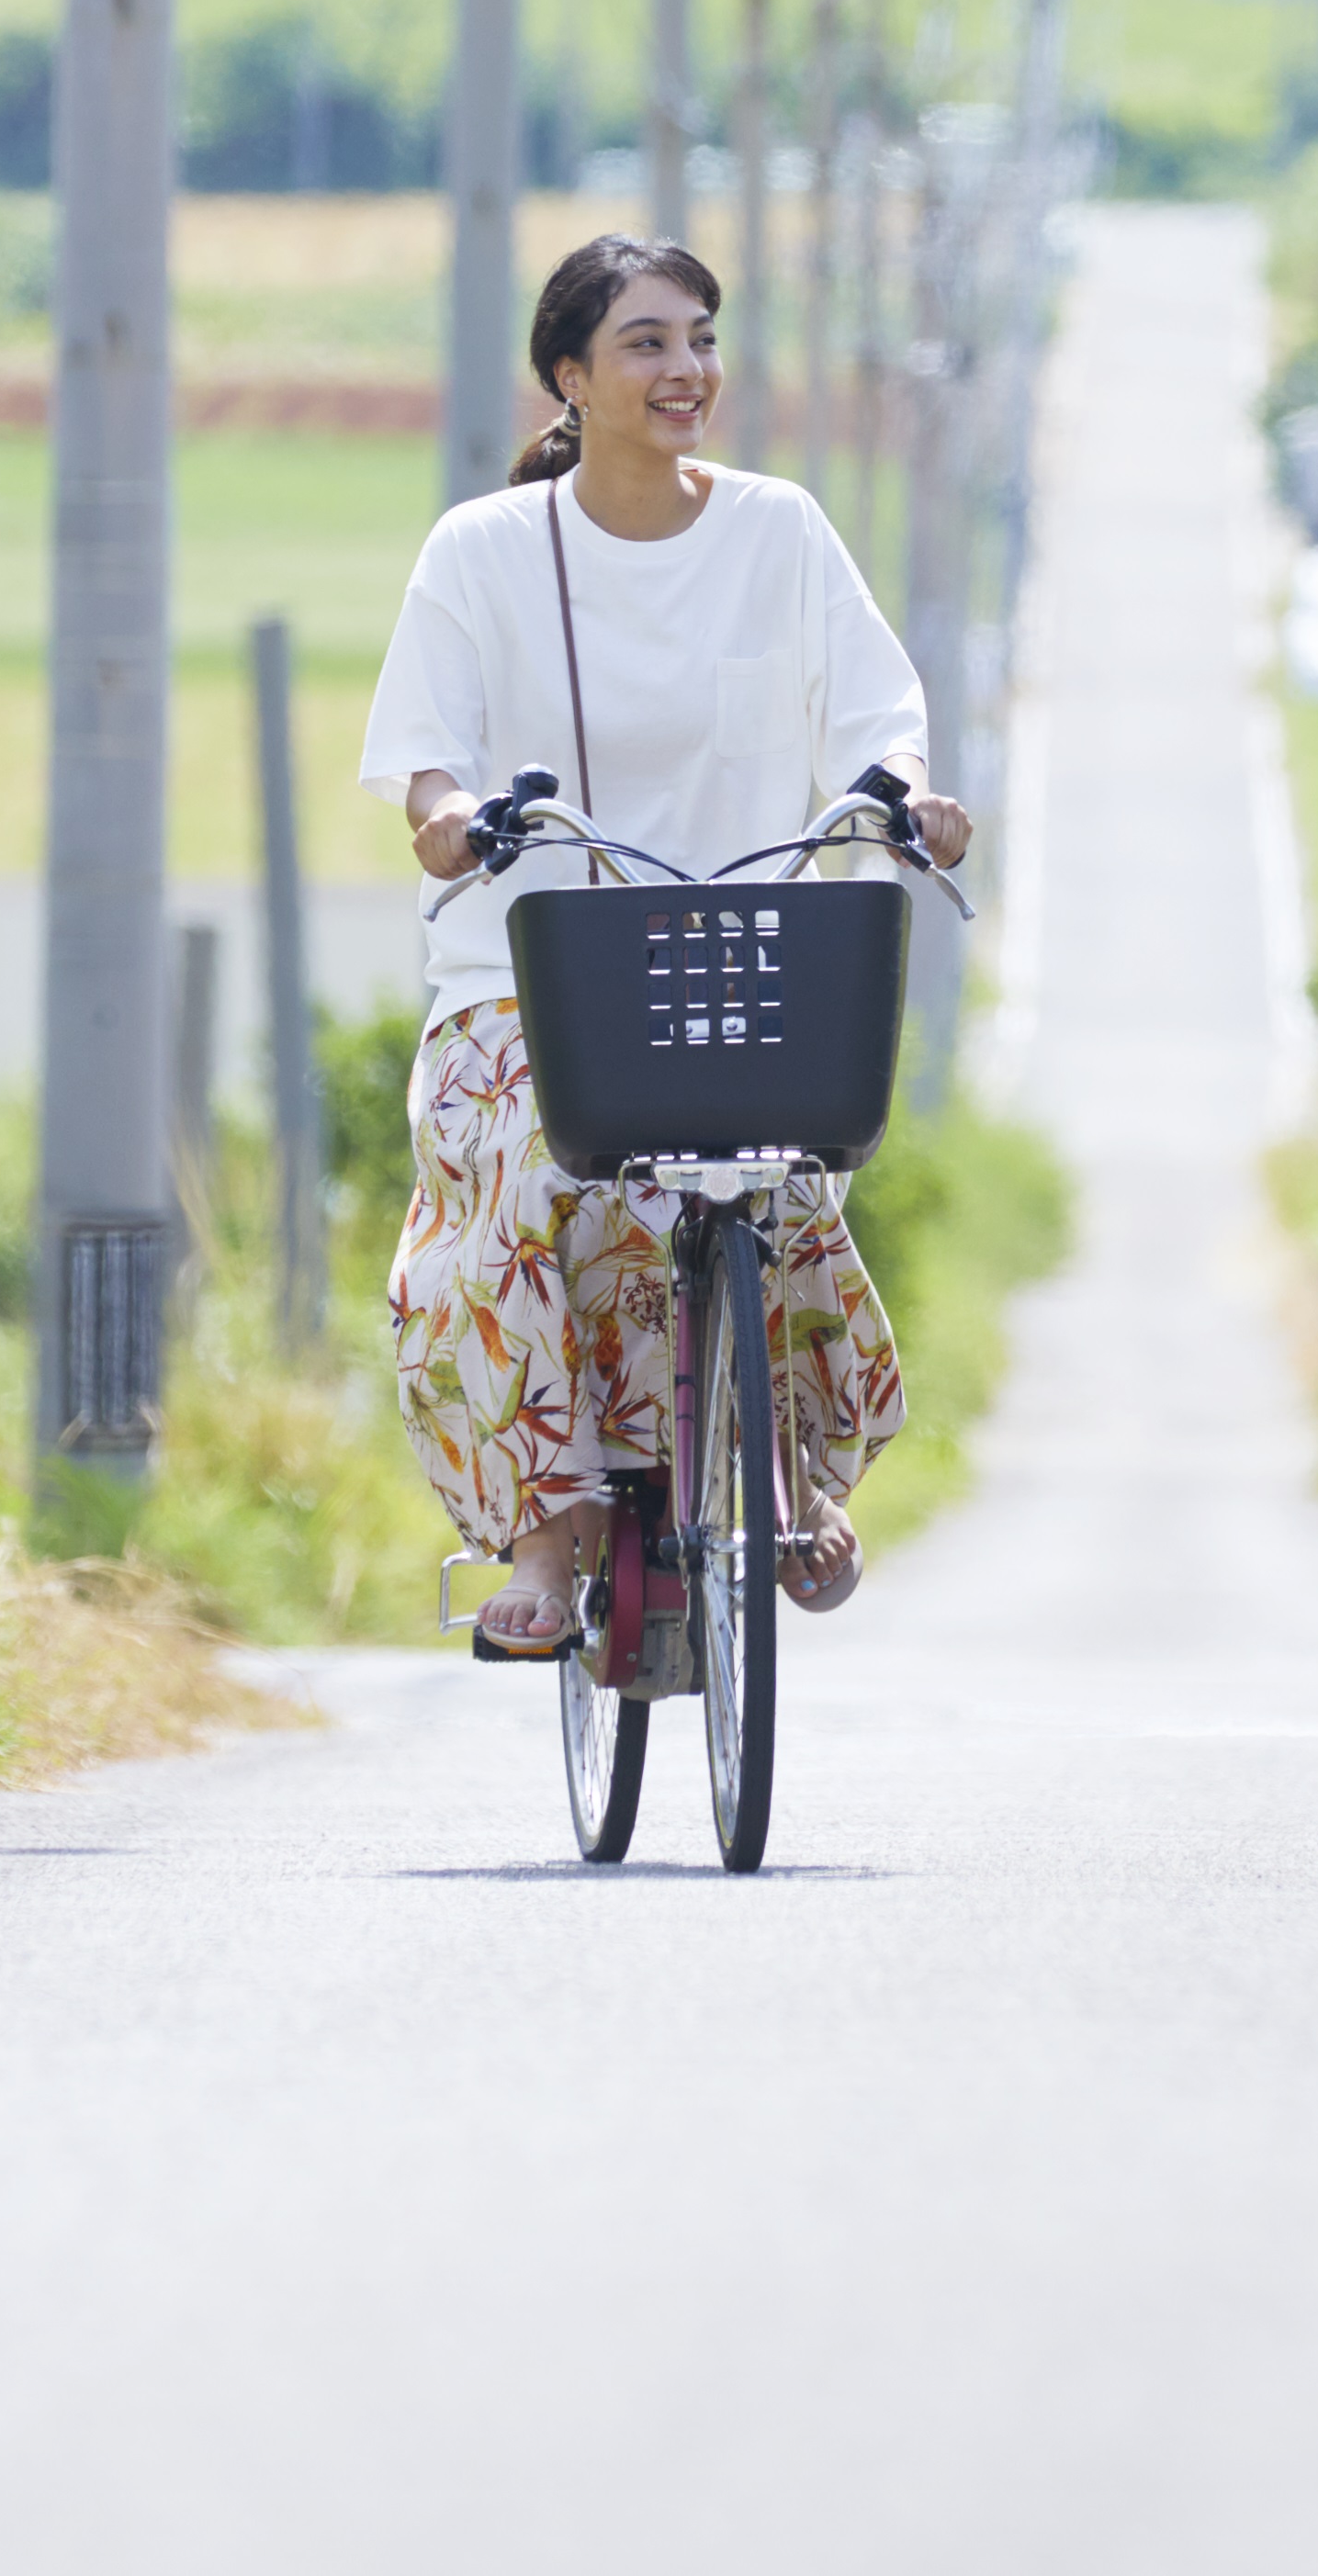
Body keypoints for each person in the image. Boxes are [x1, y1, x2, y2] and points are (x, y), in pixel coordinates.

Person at [359, 232, 974, 1661]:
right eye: (644, 341)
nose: (685, 367)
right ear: (569, 376)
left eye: (699, 335)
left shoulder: (779, 528)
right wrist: (451, 819)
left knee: (787, 1184)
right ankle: (546, 1532)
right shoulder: (484, 550)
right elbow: (427, 756)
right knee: (518, 1183)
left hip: (737, 956)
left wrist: (909, 794)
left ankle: (782, 1470)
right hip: (526, 972)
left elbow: (879, 714)